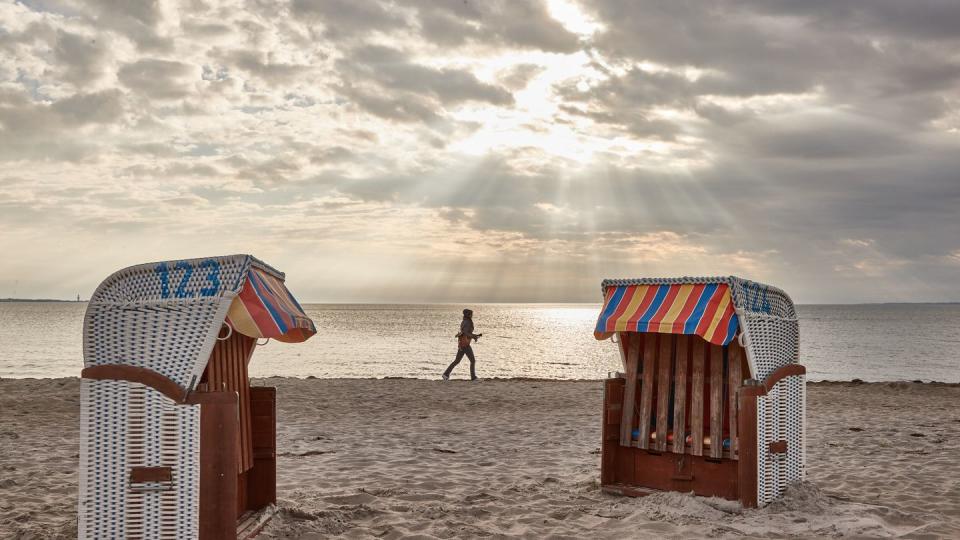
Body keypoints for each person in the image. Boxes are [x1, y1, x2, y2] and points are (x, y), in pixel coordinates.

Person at [442, 308, 481, 381]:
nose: (472, 315)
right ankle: (473, 377)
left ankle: (446, 374)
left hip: (461, 344)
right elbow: (466, 333)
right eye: (471, 314)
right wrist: (474, 336)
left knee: (457, 361)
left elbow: (464, 333)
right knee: (472, 361)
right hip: (465, 345)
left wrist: (474, 336)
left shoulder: (464, 321)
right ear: (469, 315)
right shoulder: (468, 322)